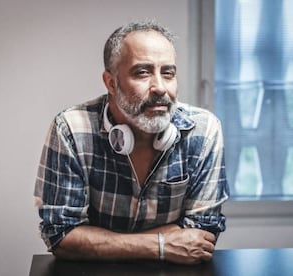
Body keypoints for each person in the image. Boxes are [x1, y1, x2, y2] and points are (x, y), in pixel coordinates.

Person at [34, 21, 229, 265]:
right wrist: (161, 244)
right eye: (143, 72)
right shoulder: (71, 129)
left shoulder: (204, 130)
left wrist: (99, 242)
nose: (159, 87)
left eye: (168, 73)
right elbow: (60, 235)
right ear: (111, 83)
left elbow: (201, 238)